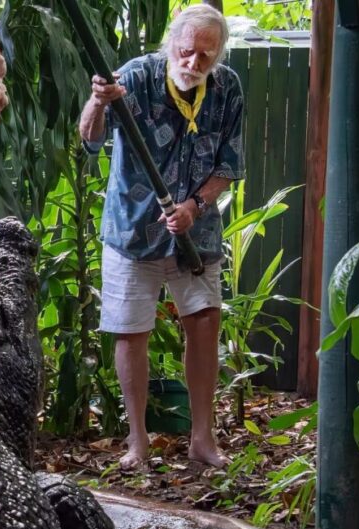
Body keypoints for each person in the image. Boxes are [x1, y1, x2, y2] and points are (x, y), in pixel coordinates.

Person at [78, 4, 244, 469]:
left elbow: (229, 166)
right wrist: (98, 100)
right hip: (133, 229)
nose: (193, 64)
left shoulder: (227, 88)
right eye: (186, 52)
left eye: (205, 57)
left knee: (205, 321)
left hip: (196, 231)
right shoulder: (135, 77)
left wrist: (196, 206)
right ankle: (137, 442)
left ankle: (202, 440)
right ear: (170, 44)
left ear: (219, 56)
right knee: (131, 331)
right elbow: (89, 139)